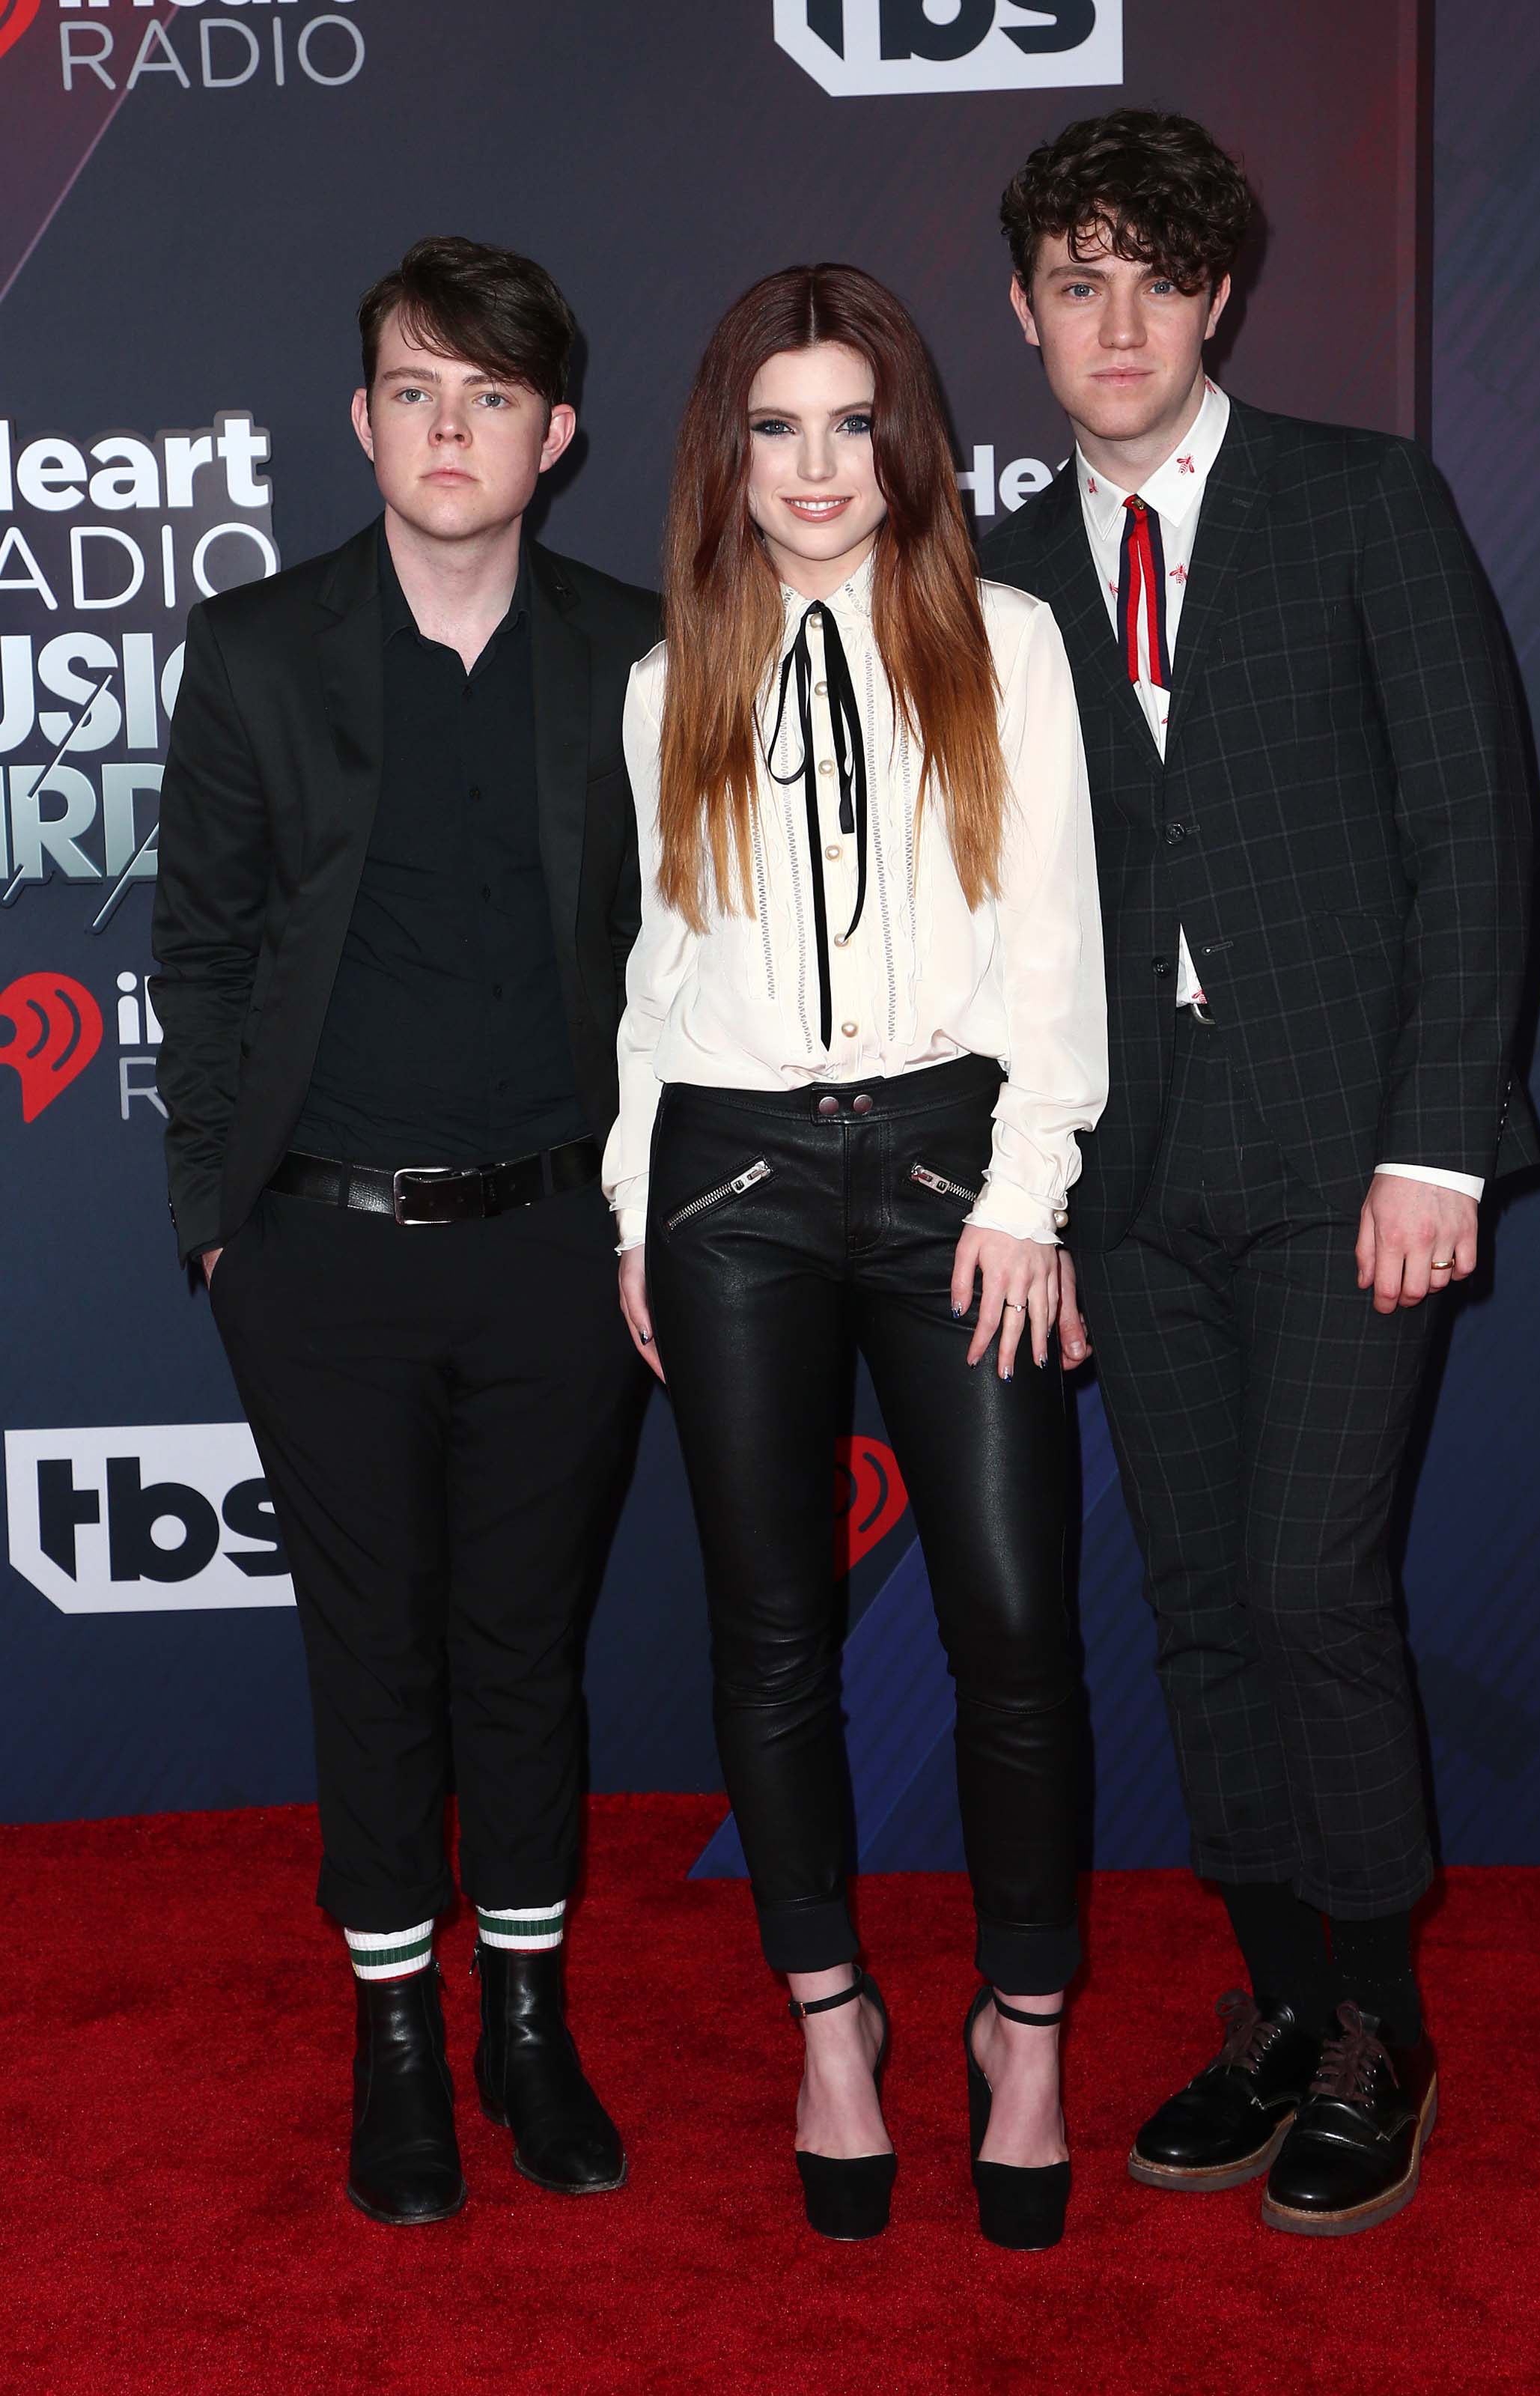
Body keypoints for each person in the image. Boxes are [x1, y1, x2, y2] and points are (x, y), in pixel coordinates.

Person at [983, 111, 1539, 2237]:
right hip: (1126, 1167)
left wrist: (1438, 1141)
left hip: (1346, 1144)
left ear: (1216, 296)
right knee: (1201, 1603)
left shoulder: (1360, 497)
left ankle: (1384, 2022)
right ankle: (1283, 2003)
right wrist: (1021, 1192)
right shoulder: (997, 575)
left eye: (1156, 277)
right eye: (1078, 281)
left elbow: (1473, 831)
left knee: (1311, 1583)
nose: (1117, 320)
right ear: (1027, 313)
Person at [151, 237, 657, 2227]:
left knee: (523, 1651)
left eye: (494, 397)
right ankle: (394, 2040)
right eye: (419, 393)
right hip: (320, 1258)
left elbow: (691, 960)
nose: (455, 431)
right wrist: (218, 1225)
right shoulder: (257, 652)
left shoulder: (639, 651)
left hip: (558, 1252)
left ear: (557, 434)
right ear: (364, 421)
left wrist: (648, 1219)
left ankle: (529, 2020)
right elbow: (199, 955)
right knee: (371, 1655)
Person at [603, 264, 1107, 2250]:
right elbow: (659, 976)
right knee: (769, 1630)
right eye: (775, 426)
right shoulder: (672, 680)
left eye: (850, 421)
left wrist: (1027, 1191)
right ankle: (833, 2023)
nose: (815, 466)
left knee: (1015, 1624)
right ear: (726, 453)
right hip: (726, 1180)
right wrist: (638, 1210)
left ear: (907, 438)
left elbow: (1053, 938)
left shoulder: (1009, 643)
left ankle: (1025, 2034)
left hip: (950, 1170)